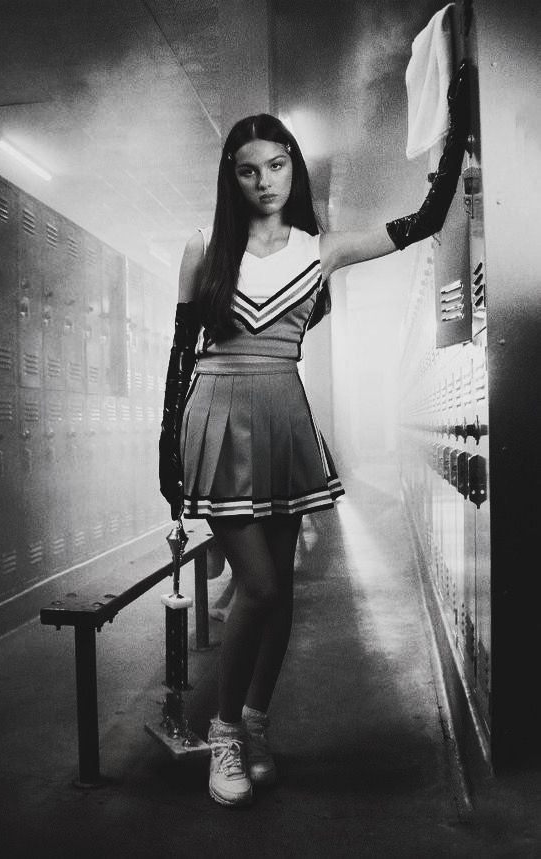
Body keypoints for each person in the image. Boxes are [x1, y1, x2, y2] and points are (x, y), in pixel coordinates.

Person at [159, 62, 469, 808]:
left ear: (292, 168)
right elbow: (179, 352)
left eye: (276, 165)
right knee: (257, 587)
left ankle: (257, 723)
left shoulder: (319, 247)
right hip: (218, 411)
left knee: (284, 589)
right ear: (229, 178)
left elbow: (423, 223)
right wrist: (166, 448)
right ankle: (224, 732)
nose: (263, 180)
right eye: (246, 170)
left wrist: (457, 127)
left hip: (283, 414)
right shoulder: (204, 247)